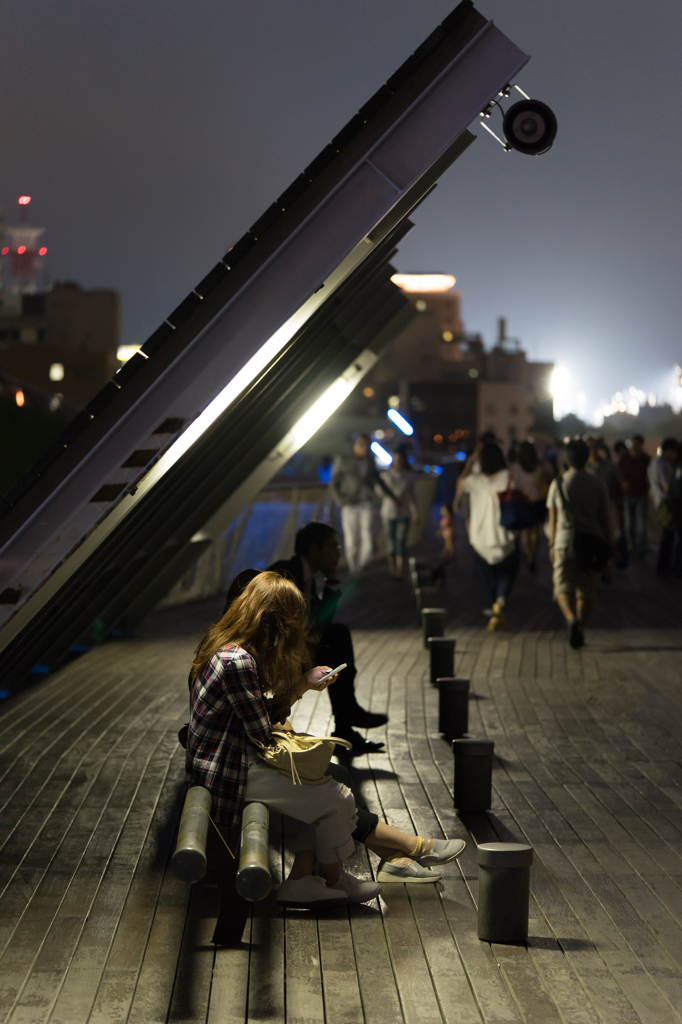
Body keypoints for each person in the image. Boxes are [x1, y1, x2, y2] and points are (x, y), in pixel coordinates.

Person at [186, 570, 380, 910]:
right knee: (336, 797)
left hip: (228, 761)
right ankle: (331, 879)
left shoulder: (225, 647)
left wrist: (303, 682)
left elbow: (257, 718)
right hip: (228, 773)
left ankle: (308, 882)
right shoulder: (239, 662)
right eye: (288, 623)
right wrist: (296, 689)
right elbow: (262, 730)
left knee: (326, 794)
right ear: (271, 621)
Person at [268, 522, 387, 754]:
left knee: (336, 636)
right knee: (336, 637)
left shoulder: (307, 576)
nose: (338, 553)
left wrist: (332, 579)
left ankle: (346, 721)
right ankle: (346, 719)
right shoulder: (287, 574)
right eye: (333, 547)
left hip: (291, 650)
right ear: (314, 549)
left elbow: (320, 625)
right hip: (274, 655)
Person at [547, 439, 612, 649]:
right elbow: (604, 518)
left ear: (566, 458)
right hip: (591, 542)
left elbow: (553, 518)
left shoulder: (558, 483)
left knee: (562, 587)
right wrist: (610, 543)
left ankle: (570, 618)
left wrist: (551, 544)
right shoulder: (597, 483)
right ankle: (581, 628)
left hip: (564, 542)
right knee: (586, 591)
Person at [459, 442, 519, 630]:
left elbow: (461, 482)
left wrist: (472, 460)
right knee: (507, 572)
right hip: (505, 534)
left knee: (487, 575)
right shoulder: (508, 476)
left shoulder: (474, 480)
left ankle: (493, 605)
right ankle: (500, 601)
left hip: (480, 536)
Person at [330, 434, 394, 574]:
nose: (365, 449)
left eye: (367, 446)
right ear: (356, 445)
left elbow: (377, 479)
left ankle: (363, 565)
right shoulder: (343, 459)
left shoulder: (370, 461)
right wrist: (341, 500)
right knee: (352, 538)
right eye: (362, 445)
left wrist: (391, 496)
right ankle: (354, 568)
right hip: (349, 504)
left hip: (366, 502)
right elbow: (334, 482)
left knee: (368, 535)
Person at [511, 440, 551, 573]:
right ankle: (533, 558)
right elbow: (551, 475)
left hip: (523, 502)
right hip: (538, 502)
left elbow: (514, 486)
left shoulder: (516, 467)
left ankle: (528, 555)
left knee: (525, 533)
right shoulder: (541, 465)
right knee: (535, 533)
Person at [377, 450, 418, 576]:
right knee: (390, 541)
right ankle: (392, 567)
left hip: (403, 513)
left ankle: (399, 568)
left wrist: (415, 513)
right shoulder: (385, 475)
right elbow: (380, 493)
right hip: (388, 513)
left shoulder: (408, 476)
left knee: (400, 540)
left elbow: (412, 496)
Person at [648, 437, 680, 573]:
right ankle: (664, 566)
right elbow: (667, 486)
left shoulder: (655, 462)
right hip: (665, 503)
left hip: (660, 501)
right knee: (668, 535)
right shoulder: (661, 464)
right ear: (668, 451)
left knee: (668, 535)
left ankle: (664, 566)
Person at [618, 434, 650, 554]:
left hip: (641, 495)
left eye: (638, 445)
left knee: (641, 522)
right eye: (634, 444)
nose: (635, 447)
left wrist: (646, 493)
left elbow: (650, 479)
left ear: (641, 445)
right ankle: (631, 544)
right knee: (629, 523)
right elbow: (618, 474)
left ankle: (642, 545)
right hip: (627, 495)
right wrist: (622, 482)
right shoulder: (624, 458)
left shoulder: (646, 459)